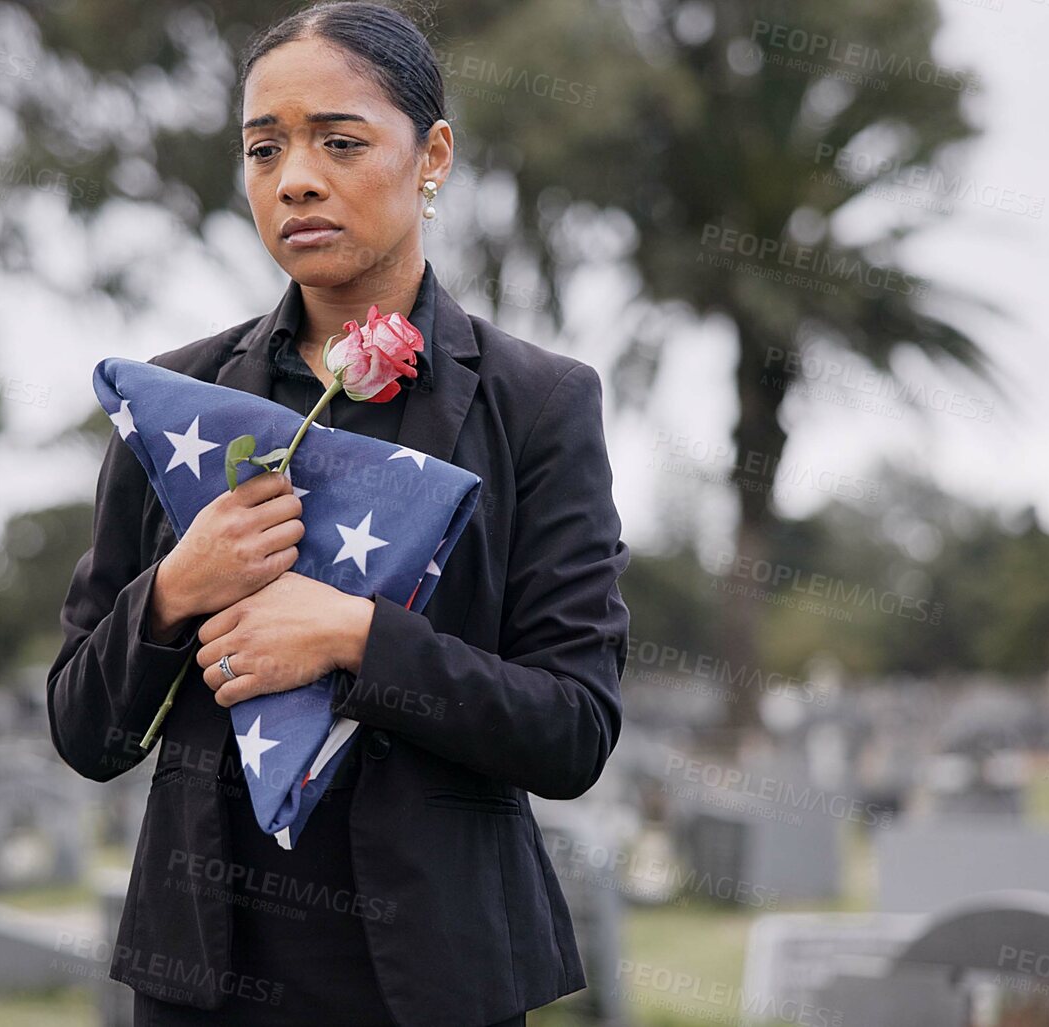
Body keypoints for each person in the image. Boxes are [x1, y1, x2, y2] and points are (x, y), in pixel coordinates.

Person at [46, 4, 630, 1024]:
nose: (295, 178)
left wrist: (354, 636)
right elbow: (82, 728)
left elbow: (572, 729)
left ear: (432, 154)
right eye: (264, 148)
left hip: (440, 981)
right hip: (204, 981)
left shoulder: (538, 404)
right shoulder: (171, 404)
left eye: (340, 141)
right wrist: (181, 586)